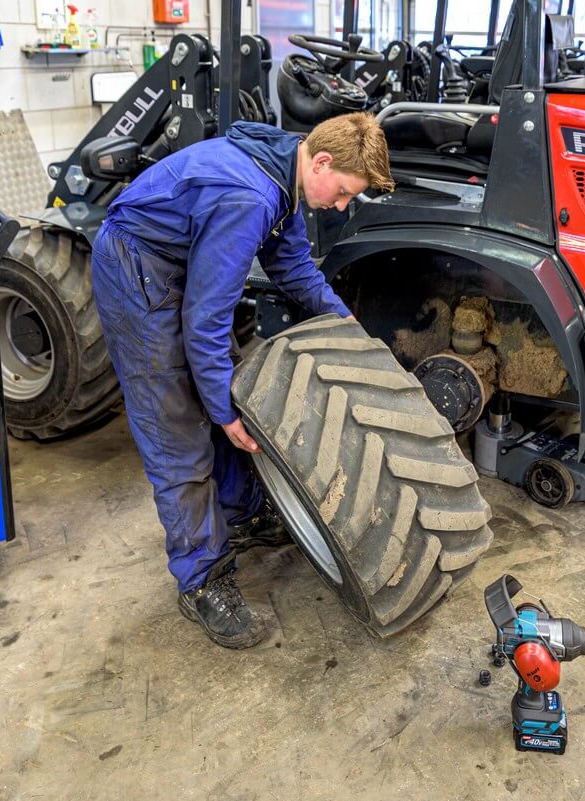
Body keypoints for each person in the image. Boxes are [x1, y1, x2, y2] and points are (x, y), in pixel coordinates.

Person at [90, 112, 394, 649]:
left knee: (224, 392)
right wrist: (224, 415)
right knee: (176, 428)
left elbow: (294, 267)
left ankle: (240, 512)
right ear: (321, 162)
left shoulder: (284, 178)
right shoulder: (249, 197)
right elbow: (205, 322)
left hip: (176, 261)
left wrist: (343, 321)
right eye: (345, 192)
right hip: (136, 267)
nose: (342, 206)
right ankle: (202, 579)